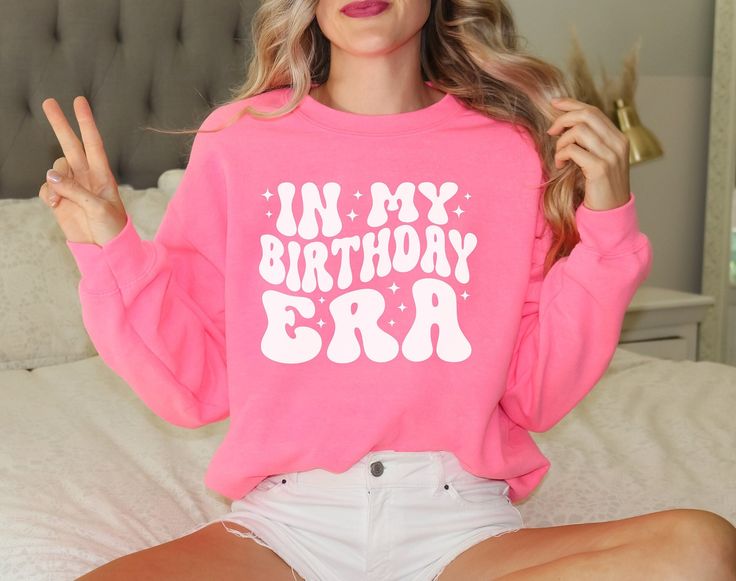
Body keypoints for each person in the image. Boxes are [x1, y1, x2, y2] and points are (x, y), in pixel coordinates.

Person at [40, 0, 736, 578]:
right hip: (289, 524)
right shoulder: (242, 140)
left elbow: (536, 392)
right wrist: (110, 245)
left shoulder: (506, 149)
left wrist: (606, 227)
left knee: (701, 546)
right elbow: (193, 387)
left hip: (459, 524)